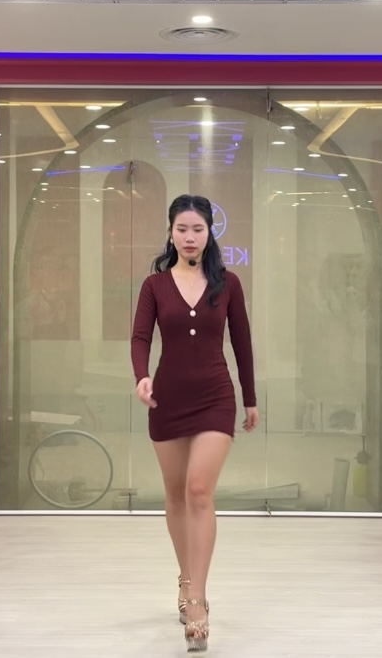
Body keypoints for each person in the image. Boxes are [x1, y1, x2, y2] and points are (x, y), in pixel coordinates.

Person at [130, 194, 258, 653]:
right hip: (167, 398)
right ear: (170, 232)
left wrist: (250, 398)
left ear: (209, 233)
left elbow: (242, 342)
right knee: (175, 496)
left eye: (197, 229)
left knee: (199, 490)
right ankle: (185, 579)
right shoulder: (154, 285)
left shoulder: (228, 284)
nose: (189, 237)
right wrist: (141, 376)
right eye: (182, 229)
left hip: (214, 397)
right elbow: (140, 336)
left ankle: (198, 601)